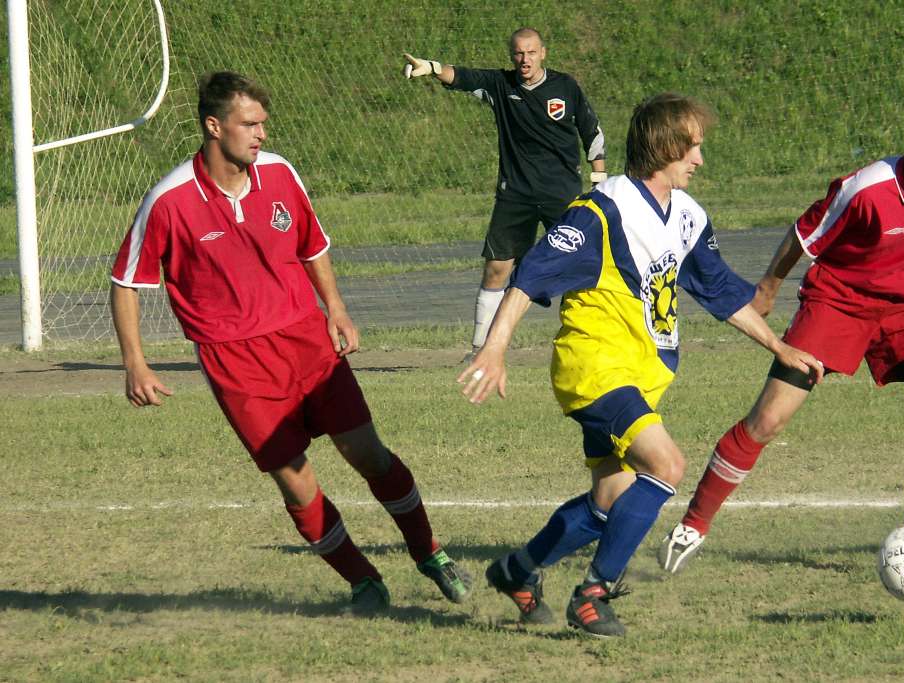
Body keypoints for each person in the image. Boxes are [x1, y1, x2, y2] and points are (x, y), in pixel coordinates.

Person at [458, 93, 823, 637]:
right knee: (666, 466)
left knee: (609, 500)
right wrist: (494, 348)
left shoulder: (688, 216)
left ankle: (519, 569)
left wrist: (779, 347)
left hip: (641, 374)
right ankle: (593, 594)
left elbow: (719, 291)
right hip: (594, 367)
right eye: (692, 147)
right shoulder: (601, 211)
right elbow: (530, 275)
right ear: (664, 147)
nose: (699, 159)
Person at [109, 71, 471, 614]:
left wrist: (337, 309)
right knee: (295, 481)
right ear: (214, 126)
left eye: (263, 123)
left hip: (306, 339)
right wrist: (135, 363)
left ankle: (429, 551)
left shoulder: (279, 172)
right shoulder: (169, 199)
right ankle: (363, 581)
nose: (261, 133)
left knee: (368, 453)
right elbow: (125, 282)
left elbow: (312, 244)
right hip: (235, 361)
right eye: (249, 124)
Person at [657, 92, 904, 575]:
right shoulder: (869, 188)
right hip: (838, 303)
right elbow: (803, 234)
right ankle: (693, 524)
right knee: (769, 420)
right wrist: (767, 290)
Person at [403, 27, 607, 355]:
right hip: (516, 195)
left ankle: (591, 342)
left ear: (543, 53)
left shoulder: (565, 87)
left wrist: (599, 182)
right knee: (497, 267)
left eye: (531, 52)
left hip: (562, 194)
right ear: (512, 56)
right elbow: (461, 76)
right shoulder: (501, 85)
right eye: (519, 53)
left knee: (579, 265)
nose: (525, 59)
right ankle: (480, 351)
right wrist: (432, 67)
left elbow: (592, 132)